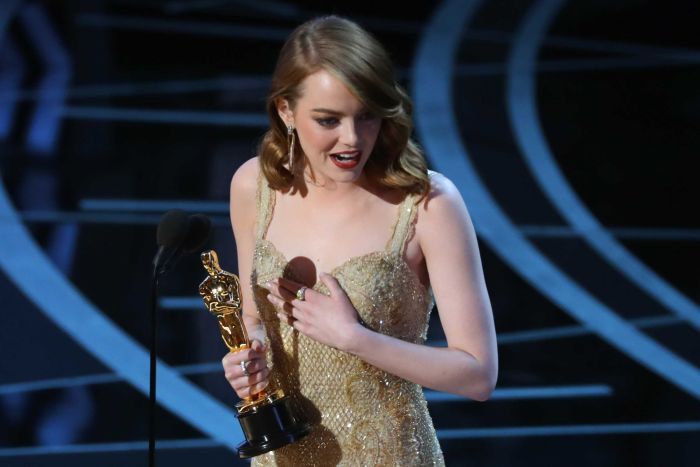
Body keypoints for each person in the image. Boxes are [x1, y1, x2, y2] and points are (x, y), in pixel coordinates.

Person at [222, 15, 497, 466]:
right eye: (328, 120)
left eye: (366, 116)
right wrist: (250, 357)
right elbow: (254, 319)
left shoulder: (428, 204)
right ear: (286, 112)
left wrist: (354, 338)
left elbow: (478, 375)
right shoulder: (254, 187)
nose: (351, 139)